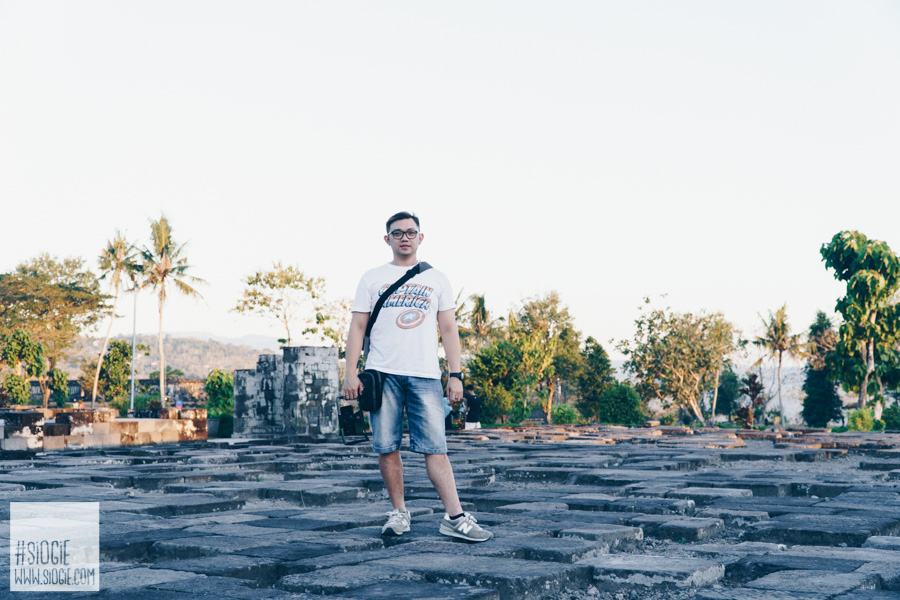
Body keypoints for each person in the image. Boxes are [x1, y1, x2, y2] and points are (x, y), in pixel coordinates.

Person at [342, 211, 492, 543]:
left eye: (411, 232)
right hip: (382, 374)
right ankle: (399, 512)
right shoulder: (371, 277)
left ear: (421, 237)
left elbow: (449, 329)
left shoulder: (437, 278)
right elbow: (357, 327)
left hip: (425, 374)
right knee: (387, 446)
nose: (405, 237)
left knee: (436, 448)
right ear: (388, 239)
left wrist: (456, 375)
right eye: (398, 233)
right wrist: (350, 372)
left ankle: (454, 516)